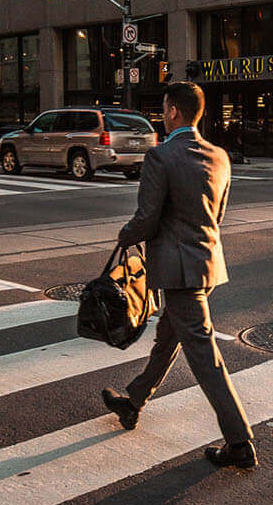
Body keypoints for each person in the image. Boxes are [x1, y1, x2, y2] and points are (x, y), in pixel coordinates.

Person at [101, 80, 256, 469]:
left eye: (164, 107)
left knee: (205, 357)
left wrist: (126, 235)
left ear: (173, 111)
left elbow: (148, 218)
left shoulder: (162, 156)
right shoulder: (220, 155)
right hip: (206, 264)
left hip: (177, 269)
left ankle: (239, 442)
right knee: (167, 338)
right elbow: (216, 216)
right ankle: (133, 402)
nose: (162, 114)